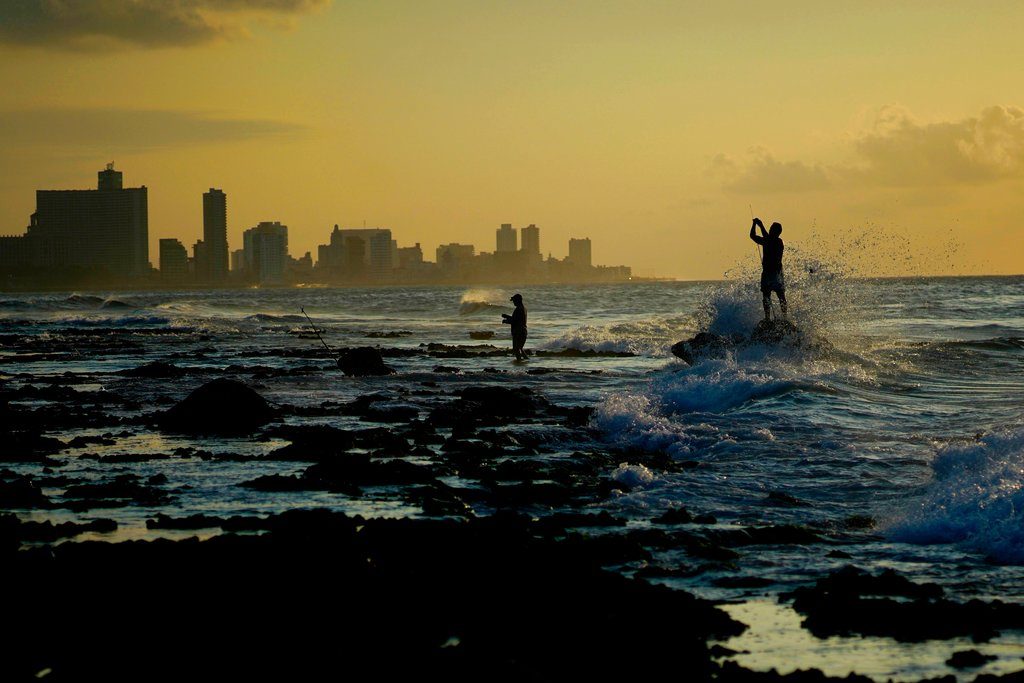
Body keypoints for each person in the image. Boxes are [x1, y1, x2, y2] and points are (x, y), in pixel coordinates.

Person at [749, 217, 787, 320]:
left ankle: (784, 317)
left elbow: (769, 240)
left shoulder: (779, 242)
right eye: (770, 229)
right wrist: (754, 225)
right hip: (766, 273)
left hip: (776, 273)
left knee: (781, 296)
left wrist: (760, 225)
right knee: (766, 295)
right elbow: (752, 236)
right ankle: (767, 318)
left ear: (777, 233)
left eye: (772, 230)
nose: (770, 231)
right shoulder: (766, 240)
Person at [501, 293, 528, 360]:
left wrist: (505, 321)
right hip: (523, 330)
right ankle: (526, 361)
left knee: (516, 349)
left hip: (518, 331)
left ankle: (519, 362)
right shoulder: (524, 308)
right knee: (520, 348)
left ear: (518, 300)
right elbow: (517, 319)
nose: (513, 302)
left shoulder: (518, 309)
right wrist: (507, 316)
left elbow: (514, 321)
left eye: (514, 301)